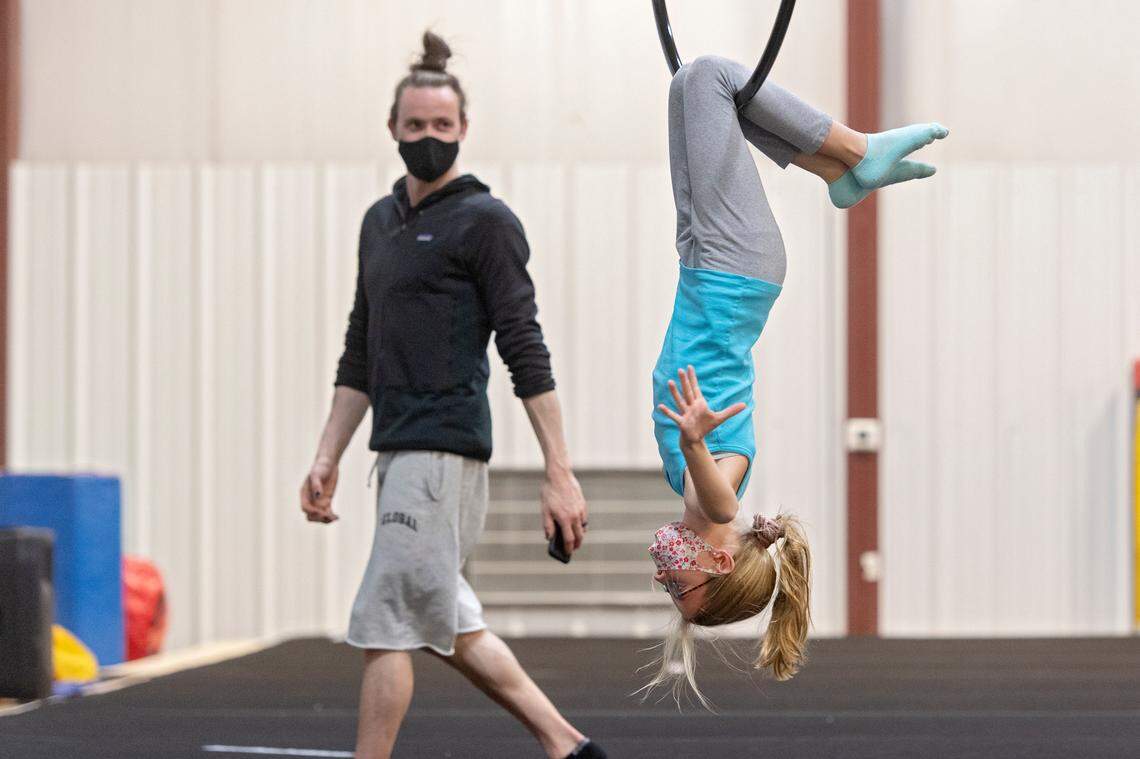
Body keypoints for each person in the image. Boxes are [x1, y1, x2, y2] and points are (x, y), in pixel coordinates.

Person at [300, 31, 606, 759]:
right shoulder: (380, 223)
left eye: (442, 124)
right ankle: (567, 745)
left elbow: (525, 349)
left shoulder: (486, 223)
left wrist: (559, 471)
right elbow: (360, 347)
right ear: (392, 128)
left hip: (442, 450)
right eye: (415, 125)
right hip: (397, 449)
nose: (429, 137)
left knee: (385, 622)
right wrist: (328, 453)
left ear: (464, 127)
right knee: (452, 620)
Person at [647, 55, 947, 705]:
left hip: (704, 266)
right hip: (736, 269)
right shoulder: (717, 484)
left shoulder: (692, 486)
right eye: (680, 585)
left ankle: (837, 173)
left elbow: (722, 508)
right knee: (711, 78)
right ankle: (857, 150)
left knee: (688, 90)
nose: (663, 577)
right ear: (717, 561)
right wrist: (695, 440)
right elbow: (722, 508)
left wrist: (696, 452)